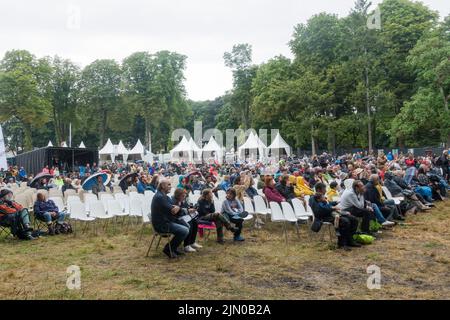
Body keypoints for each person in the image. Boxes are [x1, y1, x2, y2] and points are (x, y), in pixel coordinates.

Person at [309, 183, 360, 251]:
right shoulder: (313, 198)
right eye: (324, 189)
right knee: (345, 221)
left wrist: (335, 202)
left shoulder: (322, 196)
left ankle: (350, 240)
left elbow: (328, 203)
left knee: (354, 219)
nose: (326, 190)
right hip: (324, 217)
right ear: (319, 189)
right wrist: (332, 208)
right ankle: (342, 243)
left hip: (332, 214)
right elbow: (319, 210)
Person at [151, 179, 189, 258]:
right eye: (168, 185)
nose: (170, 186)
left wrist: (177, 208)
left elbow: (175, 209)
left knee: (187, 225)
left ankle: (174, 248)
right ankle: (168, 249)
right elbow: (173, 210)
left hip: (167, 221)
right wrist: (177, 208)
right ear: (162, 186)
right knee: (184, 230)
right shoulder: (160, 197)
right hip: (162, 225)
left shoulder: (165, 196)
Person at [172, 188, 202, 253]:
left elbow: (186, 208)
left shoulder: (182, 200)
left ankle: (192, 242)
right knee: (189, 224)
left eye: (184, 196)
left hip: (183, 217)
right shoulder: (173, 201)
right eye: (183, 196)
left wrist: (191, 209)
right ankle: (186, 245)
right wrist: (187, 211)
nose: (184, 197)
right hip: (176, 219)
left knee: (195, 222)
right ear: (178, 195)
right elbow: (176, 212)